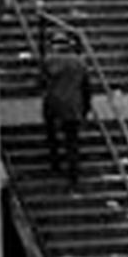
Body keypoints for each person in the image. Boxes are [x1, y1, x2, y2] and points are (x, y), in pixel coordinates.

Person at [42, 36, 92, 188]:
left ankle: (55, 162)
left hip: (53, 102)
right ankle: (73, 174)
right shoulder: (79, 62)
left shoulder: (48, 61)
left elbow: (41, 82)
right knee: (72, 140)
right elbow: (86, 87)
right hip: (73, 104)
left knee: (52, 133)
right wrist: (86, 107)